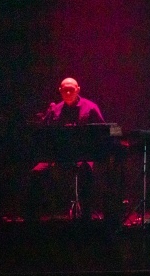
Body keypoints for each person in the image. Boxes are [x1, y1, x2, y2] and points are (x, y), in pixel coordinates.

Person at [26, 77, 105, 221]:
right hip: (58, 156)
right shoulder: (54, 110)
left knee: (86, 171)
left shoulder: (90, 107)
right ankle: (32, 219)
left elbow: (105, 131)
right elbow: (44, 134)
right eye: (65, 90)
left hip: (83, 156)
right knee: (35, 173)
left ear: (78, 90)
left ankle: (86, 217)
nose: (68, 93)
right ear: (60, 91)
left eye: (71, 89)